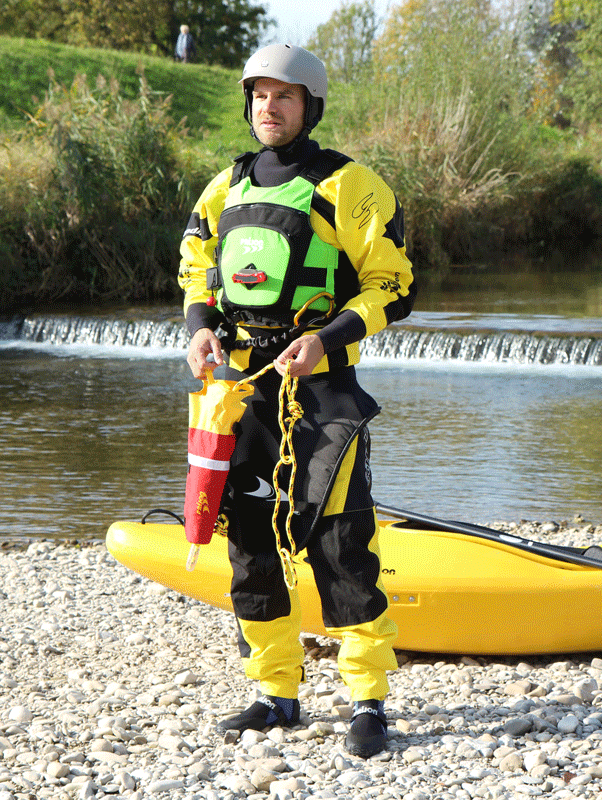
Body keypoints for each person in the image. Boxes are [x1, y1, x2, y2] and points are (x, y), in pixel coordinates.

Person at [178, 43, 416, 758]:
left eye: (284, 96)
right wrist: (199, 332)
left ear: (309, 105)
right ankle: (274, 692)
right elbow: (199, 275)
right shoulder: (224, 187)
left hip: (322, 395)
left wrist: (326, 337)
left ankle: (368, 701)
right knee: (250, 544)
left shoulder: (351, 186)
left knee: (343, 547)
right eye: (259, 96)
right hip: (244, 394)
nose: (269, 108)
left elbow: (395, 287)